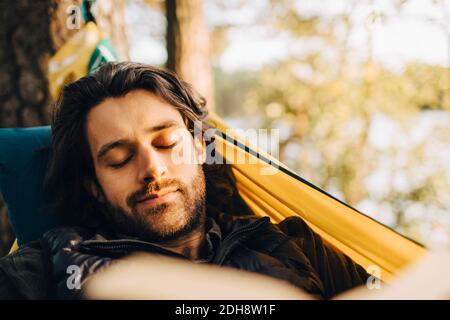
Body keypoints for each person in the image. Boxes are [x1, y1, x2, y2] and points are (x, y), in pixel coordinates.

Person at [0, 62, 370, 299]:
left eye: (166, 143)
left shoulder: (290, 243)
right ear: (92, 185)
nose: (152, 169)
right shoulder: (49, 267)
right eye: (119, 159)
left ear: (198, 148)